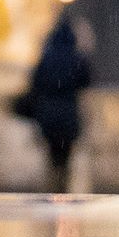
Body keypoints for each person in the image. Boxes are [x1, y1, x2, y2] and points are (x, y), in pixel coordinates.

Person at [16, 12, 93, 192]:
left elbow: (35, 84)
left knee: (52, 155)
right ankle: (62, 187)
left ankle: (53, 186)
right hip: (68, 115)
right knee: (65, 156)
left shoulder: (46, 59)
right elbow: (86, 81)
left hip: (48, 115)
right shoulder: (76, 59)